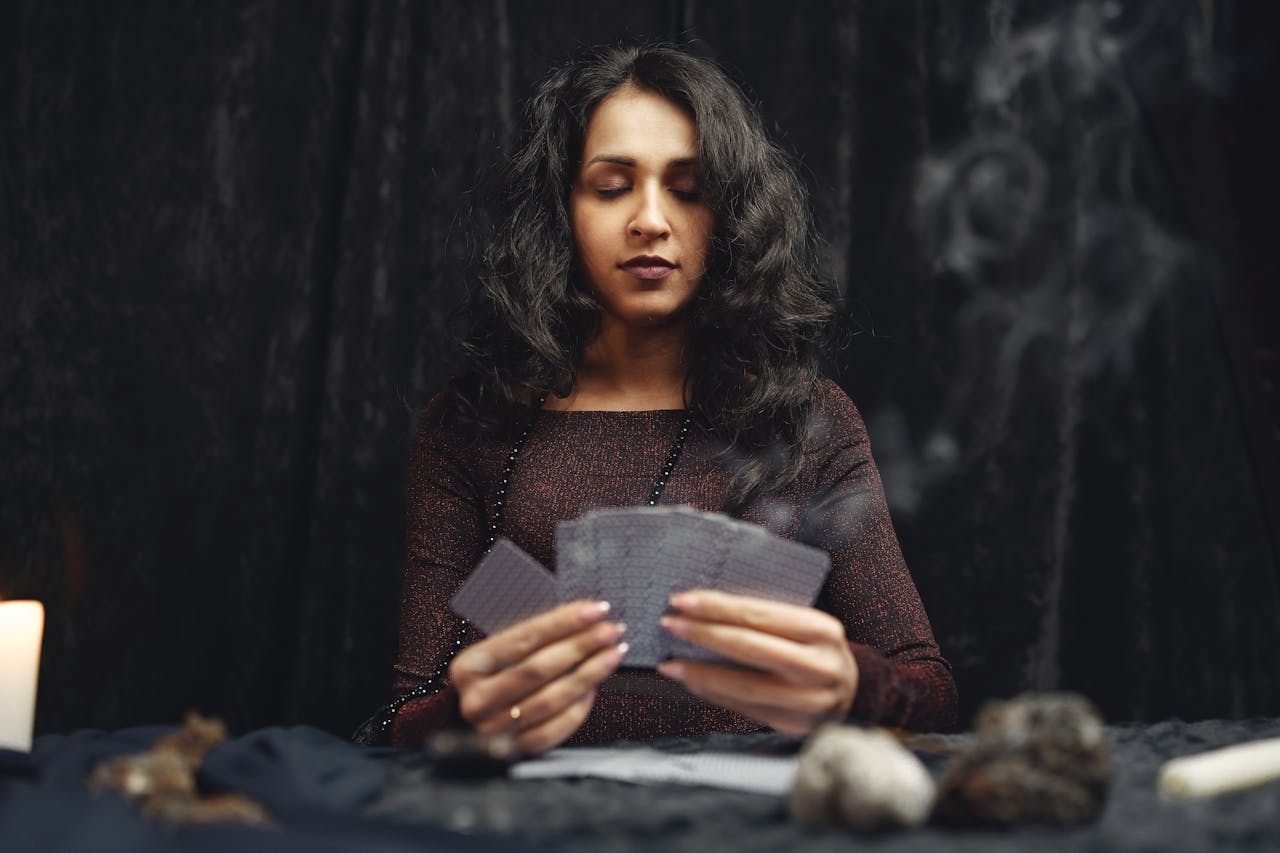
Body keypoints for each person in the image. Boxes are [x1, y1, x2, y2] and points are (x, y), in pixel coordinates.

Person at [358, 43, 957, 751]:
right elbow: (401, 718)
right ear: (560, 211)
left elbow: (932, 692)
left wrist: (857, 685)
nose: (649, 219)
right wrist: (463, 715)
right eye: (612, 187)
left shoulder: (807, 421)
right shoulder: (471, 424)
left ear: (732, 212)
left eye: (689, 188)